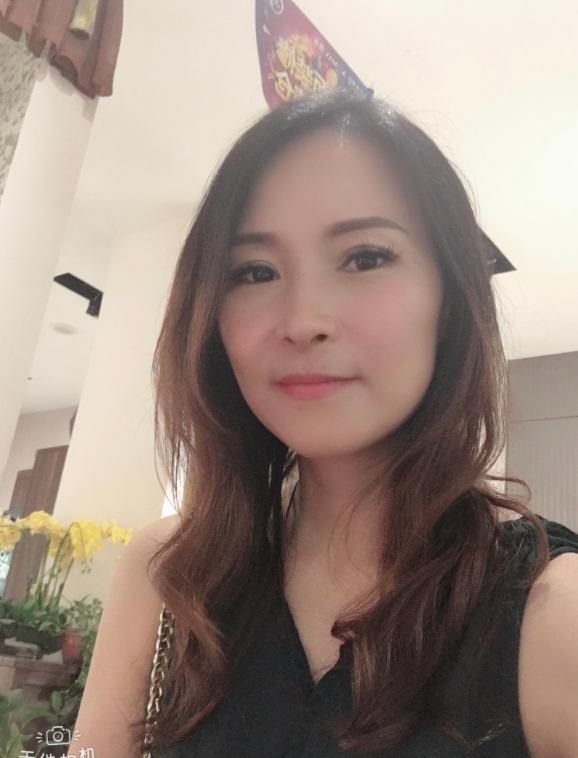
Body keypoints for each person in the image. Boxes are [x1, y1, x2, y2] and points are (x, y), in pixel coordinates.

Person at [72, 88, 578, 758]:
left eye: (365, 257)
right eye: (255, 271)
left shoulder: (552, 611)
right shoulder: (169, 576)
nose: (303, 319)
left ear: (451, 297)